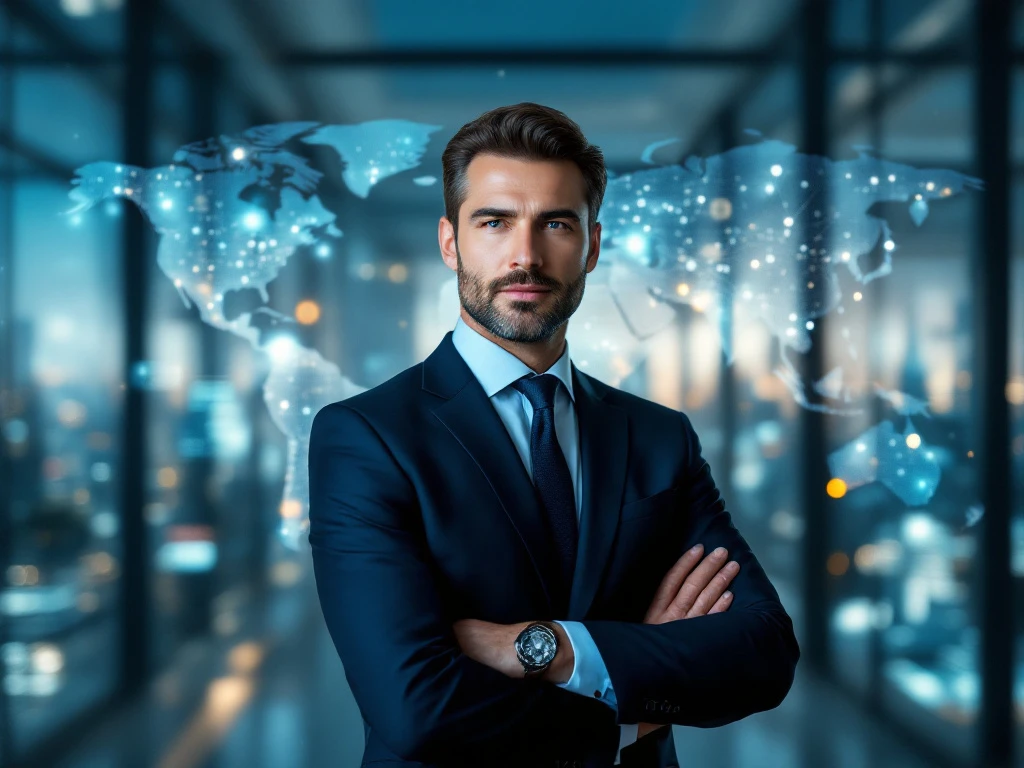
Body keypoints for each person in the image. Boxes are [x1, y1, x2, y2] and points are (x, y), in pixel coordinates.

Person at [308, 102, 800, 768]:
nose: (526, 255)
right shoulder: (366, 437)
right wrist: (630, 705)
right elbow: (416, 708)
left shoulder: (659, 438)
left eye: (556, 224)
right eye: (494, 222)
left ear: (591, 245)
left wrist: (550, 649)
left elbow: (762, 654)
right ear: (451, 241)